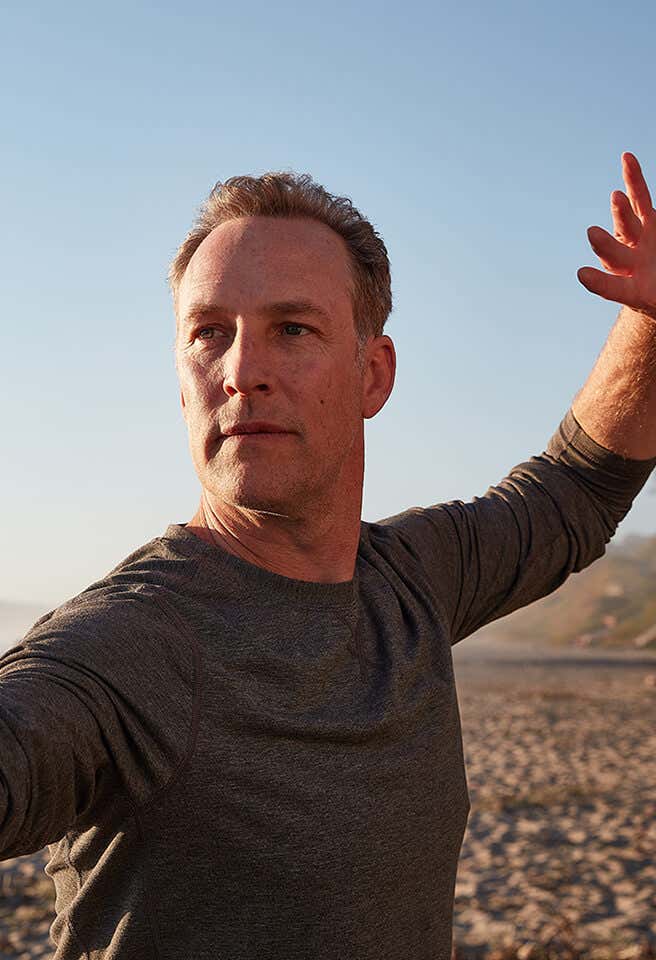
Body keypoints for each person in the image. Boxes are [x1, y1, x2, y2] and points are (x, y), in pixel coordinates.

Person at [1, 153, 655, 960]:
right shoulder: (134, 644)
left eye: (293, 329)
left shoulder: (414, 579)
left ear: (373, 374)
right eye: (209, 333)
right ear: (181, 382)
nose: (242, 371)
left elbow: (574, 496)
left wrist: (648, 321)